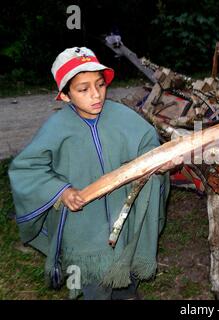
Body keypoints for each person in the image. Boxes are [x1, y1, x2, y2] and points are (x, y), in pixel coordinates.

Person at [8, 47, 172, 299]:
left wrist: (159, 163)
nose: (96, 95)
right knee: (94, 287)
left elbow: (148, 146)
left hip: (122, 213)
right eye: (83, 89)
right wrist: (61, 191)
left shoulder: (124, 117)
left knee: (126, 280)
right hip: (83, 225)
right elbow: (26, 169)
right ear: (64, 95)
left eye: (100, 84)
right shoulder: (57, 128)